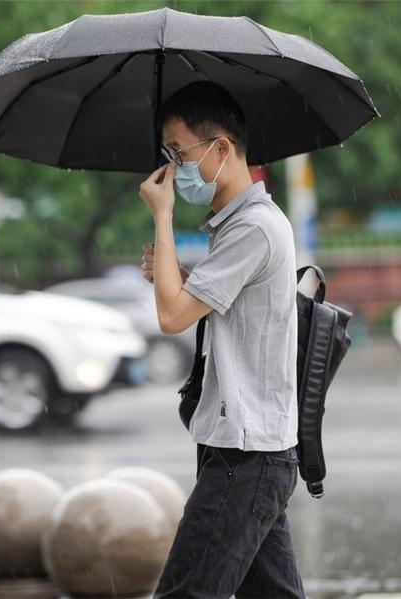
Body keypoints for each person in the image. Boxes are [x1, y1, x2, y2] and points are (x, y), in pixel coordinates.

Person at [137, 80, 306, 599]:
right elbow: (207, 310)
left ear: (222, 148)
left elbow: (171, 317)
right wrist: (181, 277)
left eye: (179, 153)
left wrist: (162, 216)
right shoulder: (237, 227)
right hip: (246, 449)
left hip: (245, 455)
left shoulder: (252, 228)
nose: (173, 169)